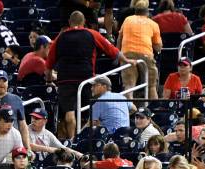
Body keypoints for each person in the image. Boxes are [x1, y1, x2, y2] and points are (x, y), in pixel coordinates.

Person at [45, 11, 136, 140]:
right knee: (90, 112)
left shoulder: (60, 38)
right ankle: (87, 138)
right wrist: (127, 61)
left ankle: (72, 141)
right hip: (86, 79)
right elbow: (112, 50)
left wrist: (49, 80)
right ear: (83, 23)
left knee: (69, 114)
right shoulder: (92, 34)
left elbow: (48, 65)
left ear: (69, 23)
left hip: (65, 80)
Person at [118, 0, 162, 99]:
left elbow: (119, 38)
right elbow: (158, 47)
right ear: (147, 12)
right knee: (152, 86)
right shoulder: (153, 24)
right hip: (146, 54)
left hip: (127, 54)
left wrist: (118, 55)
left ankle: (129, 112)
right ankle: (153, 110)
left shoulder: (127, 20)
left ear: (135, 11)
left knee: (129, 86)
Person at [0, 70, 30, 149]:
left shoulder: (16, 99)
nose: (1, 84)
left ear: (7, 83)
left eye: (4, 81)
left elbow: (23, 126)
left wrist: (28, 148)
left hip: (11, 143)